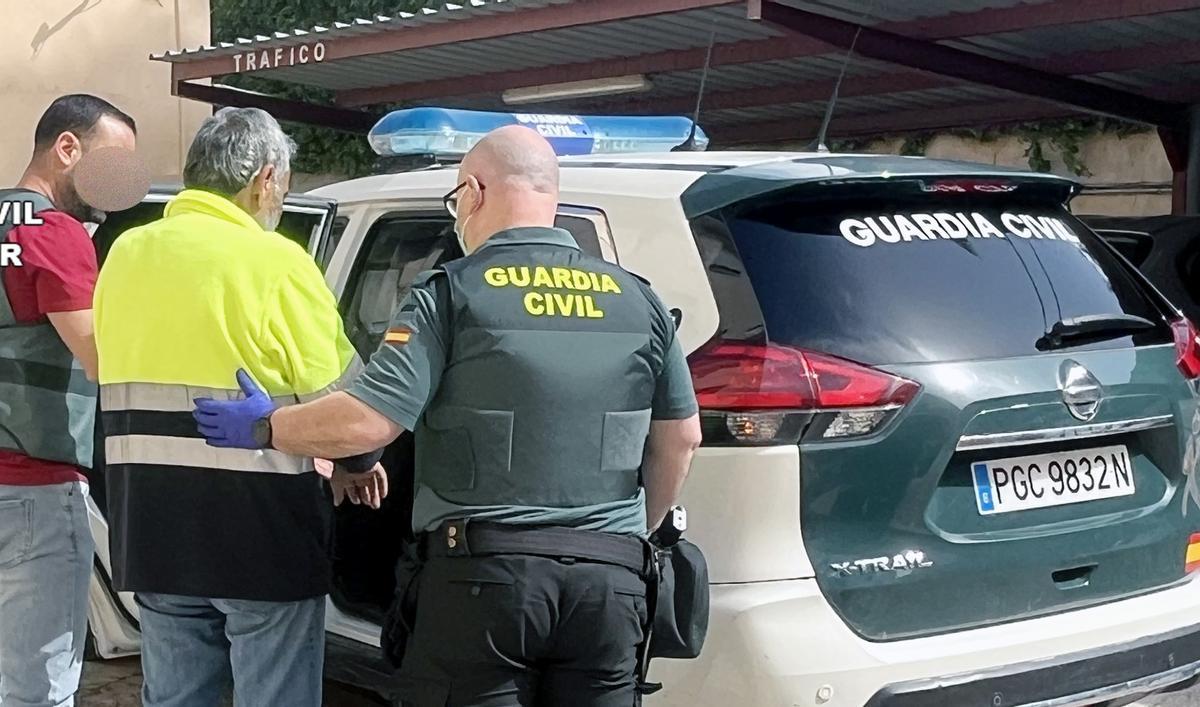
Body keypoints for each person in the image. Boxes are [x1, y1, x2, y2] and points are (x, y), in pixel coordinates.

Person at [192, 125, 703, 706]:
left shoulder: (451, 294)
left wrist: (265, 426)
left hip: (484, 585)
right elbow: (681, 440)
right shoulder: (640, 298)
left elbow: (369, 422)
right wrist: (629, 536)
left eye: (456, 199)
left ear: (474, 193)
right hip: (610, 588)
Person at [92, 107, 386, 707]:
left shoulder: (124, 254)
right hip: (259, 530)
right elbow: (344, 400)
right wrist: (358, 461)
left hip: (150, 525)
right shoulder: (275, 261)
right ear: (265, 179)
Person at [0, 94, 136, 707]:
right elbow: (105, 358)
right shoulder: (53, 233)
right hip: (32, 488)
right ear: (67, 148)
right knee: (38, 689)